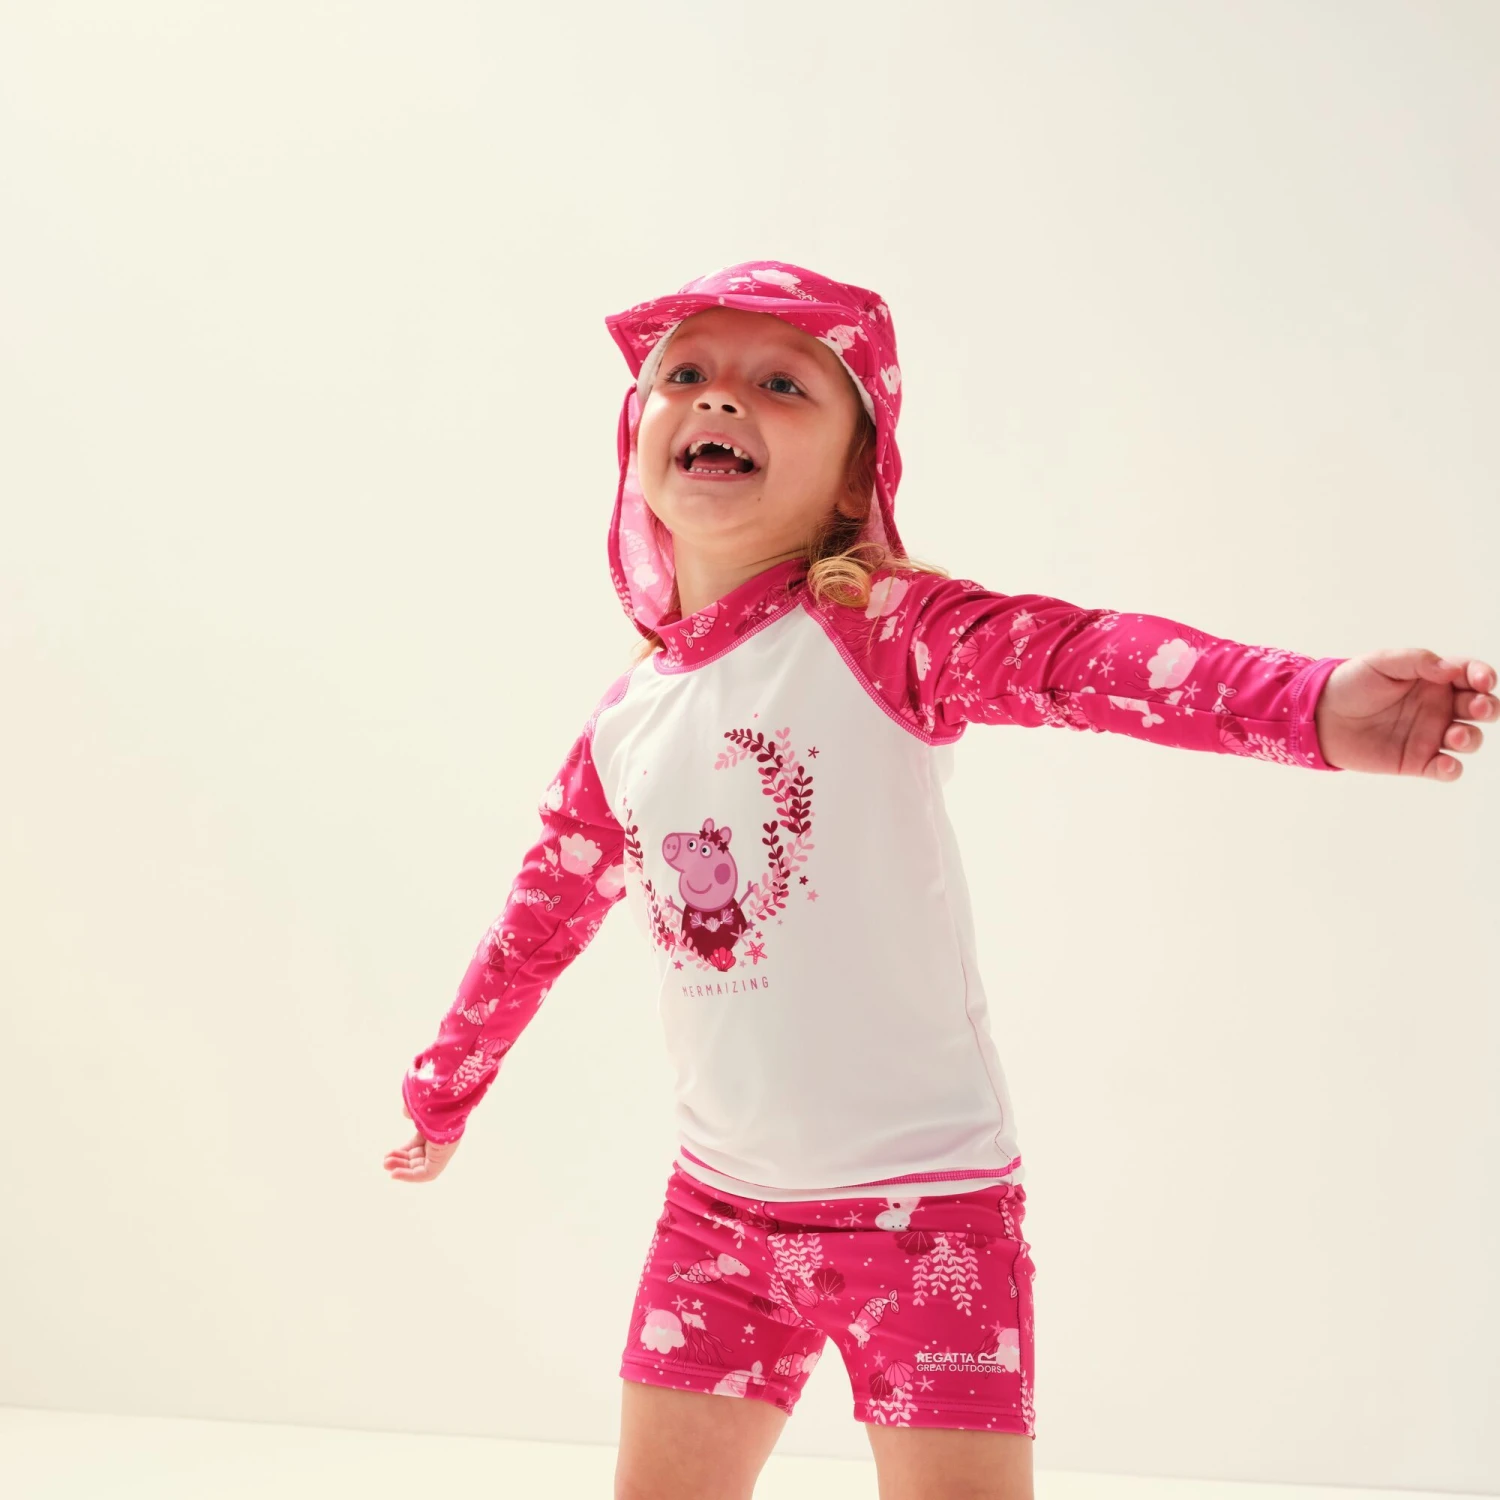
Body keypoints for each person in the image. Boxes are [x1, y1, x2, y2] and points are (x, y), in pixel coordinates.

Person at [384, 261, 1494, 1500]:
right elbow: (536, 923)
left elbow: (1082, 660)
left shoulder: (882, 628)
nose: (721, 398)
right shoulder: (624, 722)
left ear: (855, 473)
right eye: (685, 375)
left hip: (928, 1226)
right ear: (636, 435)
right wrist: (444, 1091)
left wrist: (1310, 704)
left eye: (783, 385)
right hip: (717, 1219)